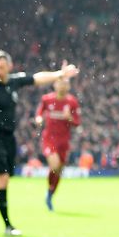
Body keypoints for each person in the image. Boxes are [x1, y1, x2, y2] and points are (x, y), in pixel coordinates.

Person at [0, 51, 79, 236]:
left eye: (1, 67)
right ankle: (8, 226)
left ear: (9, 67)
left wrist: (59, 74)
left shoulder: (13, 81)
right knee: (2, 179)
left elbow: (37, 78)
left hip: (9, 138)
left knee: (0, 183)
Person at [35, 77, 81, 211]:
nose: (62, 86)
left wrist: (70, 118)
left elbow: (77, 123)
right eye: (60, 83)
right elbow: (39, 112)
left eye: (65, 84)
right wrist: (38, 118)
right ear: (55, 85)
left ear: (68, 87)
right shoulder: (47, 99)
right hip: (50, 139)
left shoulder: (72, 102)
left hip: (64, 141)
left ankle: (50, 193)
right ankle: (49, 191)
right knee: (55, 165)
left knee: (59, 170)